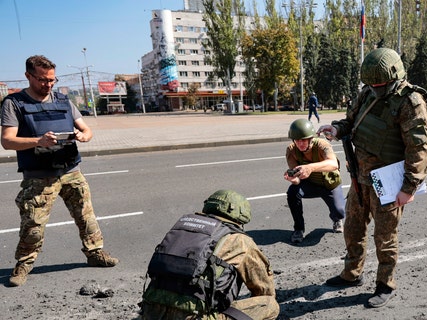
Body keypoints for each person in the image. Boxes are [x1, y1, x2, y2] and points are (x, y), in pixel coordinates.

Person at [317, 48, 427, 308]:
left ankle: (385, 284)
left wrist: (409, 187)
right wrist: (336, 128)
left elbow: (419, 148)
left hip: (388, 184)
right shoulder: (367, 93)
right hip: (361, 178)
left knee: (385, 236)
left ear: (394, 76)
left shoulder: (410, 101)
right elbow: (351, 122)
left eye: (380, 84)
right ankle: (352, 274)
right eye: (372, 83)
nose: (376, 88)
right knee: (353, 229)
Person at [0, 55, 119, 287]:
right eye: (43, 80)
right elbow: (7, 141)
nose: (48, 85)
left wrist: (84, 136)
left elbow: (86, 129)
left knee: (86, 217)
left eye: (52, 80)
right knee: (33, 224)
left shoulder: (64, 100)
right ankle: (23, 265)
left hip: (71, 170)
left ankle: (95, 254)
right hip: (39, 176)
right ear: (28, 76)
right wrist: (38, 141)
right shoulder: (13, 103)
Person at [139, 189, 279, 320]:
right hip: (195, 317)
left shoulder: (183, 228)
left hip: (150, 313)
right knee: (269, 305)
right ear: (241, 215)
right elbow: (264, 290)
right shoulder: (240, 241)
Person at [284, 119, 345, 244]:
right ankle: (299, 229)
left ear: (311, 138)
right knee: (292, 192)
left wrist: (310, 167)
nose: (300, 143)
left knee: (340, 212)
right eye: (297, 140)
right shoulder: (291, 150)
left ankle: (336, 219)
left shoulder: (322, 145)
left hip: (329, 184)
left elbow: (333, 164)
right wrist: (293, 180)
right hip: (310, 184)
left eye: (303, 140)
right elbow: (297, 179)